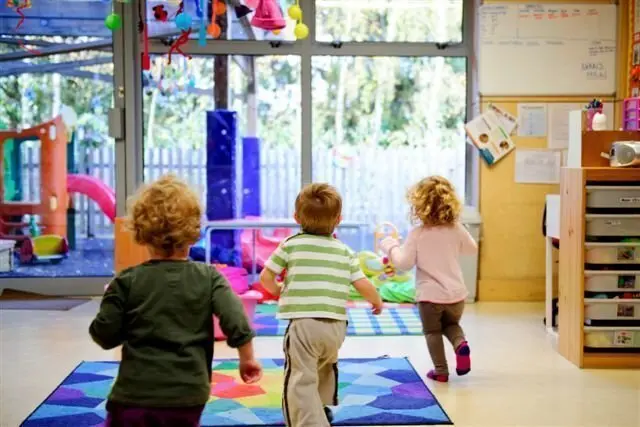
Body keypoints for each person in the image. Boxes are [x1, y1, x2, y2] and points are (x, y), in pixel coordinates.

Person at [89, 174, 262, 426]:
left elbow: (104, 335)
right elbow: (236, 318)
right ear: (193, 232)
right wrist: (247, 358)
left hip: (134, 396)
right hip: (188, 396)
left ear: (141, 232)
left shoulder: (126, 282)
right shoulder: (209, 278)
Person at [259, 183, 384, 427]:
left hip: (305, 325)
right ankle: (321, 407)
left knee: (299, 378)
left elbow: (266, 277)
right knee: (325, 366)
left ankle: (310, 422)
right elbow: (362, 284)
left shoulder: (290, 244)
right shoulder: (345, 251)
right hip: (336, 327)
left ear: (296, 217)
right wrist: (376, 300)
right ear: (339, 219)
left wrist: (279, 293)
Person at [380, 176, 477, 383]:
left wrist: (391, 247)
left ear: (419, 207)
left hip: (430, 297)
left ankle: (441, 371)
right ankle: (461, 345)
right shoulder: (456, 229)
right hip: (456, 295)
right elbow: (471, 249)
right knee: (451, 326)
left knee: (433, 332)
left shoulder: (418, 233)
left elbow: (404, 263)